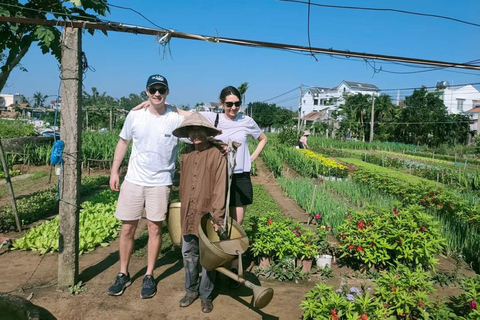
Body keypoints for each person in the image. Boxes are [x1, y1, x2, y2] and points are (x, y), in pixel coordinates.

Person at [108, 74, 185, 299]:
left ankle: (149, 274)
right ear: (147, 92)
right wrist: (115, 171)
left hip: (160, 183)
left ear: (168, 92)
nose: (157, 94)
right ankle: (123, 273)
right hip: (133, 180)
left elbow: (199, 119)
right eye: (153, 90)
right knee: (127, 228)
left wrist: (175, 108)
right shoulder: (135, 115)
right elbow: (123, 142)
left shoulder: (175, 119)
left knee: (154, 228)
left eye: (161, 90)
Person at [172, 112, 227, 313]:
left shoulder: (217, 155)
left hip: (207, 214)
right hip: (188, 211)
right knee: (188, 252)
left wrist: (217, 216)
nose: (195, 134)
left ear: (206, 132)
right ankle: (191, 291)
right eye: (191, 131)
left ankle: (206, 295)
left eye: (199, 130)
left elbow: (221, 187)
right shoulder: (185, 154)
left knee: (207, 256)